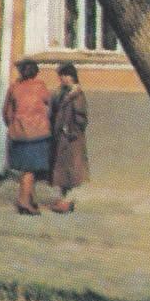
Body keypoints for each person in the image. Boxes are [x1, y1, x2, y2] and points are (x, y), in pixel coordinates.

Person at [3, 59, 53, 215]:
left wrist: (13, 125)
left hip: (18, 133)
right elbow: (51, 106)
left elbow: (6, 113)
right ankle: (24, 202)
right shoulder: (41, 87)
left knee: (26, 169)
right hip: (38, 133)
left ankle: (30, 199)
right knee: (30, 170)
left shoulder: (14, 87)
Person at [47, 62, 89, 213]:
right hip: (60, 137)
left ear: (71, 76)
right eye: (61, 76)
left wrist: (71, 130)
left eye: (64, 76)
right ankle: (63, 199)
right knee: (62, 170)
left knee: (70, 170)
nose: (62, 79)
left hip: (71, 139)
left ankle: (67, 201)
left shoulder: (77, 95)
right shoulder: (62, 92)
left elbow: (81, 118)